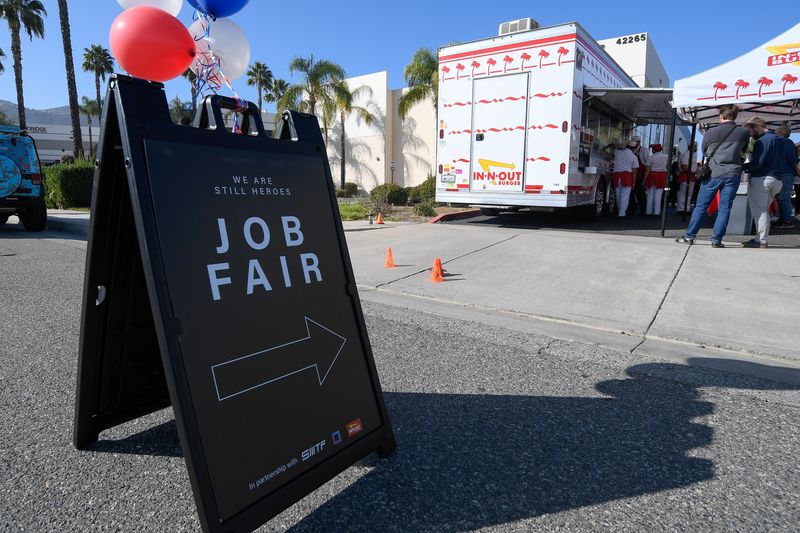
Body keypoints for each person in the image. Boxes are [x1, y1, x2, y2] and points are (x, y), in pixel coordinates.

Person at [676, 104, 750, 247]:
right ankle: (716, 240)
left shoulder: (711, 132)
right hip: (733, 173)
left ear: (721, 116)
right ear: (735, 116)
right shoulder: (744, 133)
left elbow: (704, 152)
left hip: (713, 173)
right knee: (725, 207)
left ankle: (689, 236)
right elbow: (743, 150)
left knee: (701, 206)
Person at [742, 116, 784, 248]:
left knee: (760, 211)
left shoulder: (762, 141)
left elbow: (758, 163)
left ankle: (761, 240)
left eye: (750, 130)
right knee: (764, 210)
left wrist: (743, 166)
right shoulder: (781, 140)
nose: (750, 134)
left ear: (757, 127)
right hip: (778, 180)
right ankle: (759, 238)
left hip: (762, 179)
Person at [772, 126, 800, 228]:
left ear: (780, 132)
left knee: (783, 196)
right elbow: (794, 159)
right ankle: (785, 219)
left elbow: (793, 160)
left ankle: (786, 220)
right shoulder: (788, 143)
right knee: (783, 196)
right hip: (786, 172)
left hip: (783, 173)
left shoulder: (781, 142)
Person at [612, 139, 639, 217]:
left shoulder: (616, 152)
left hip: (617, 176)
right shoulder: (634, 157)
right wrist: (633, 182)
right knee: (625, 195)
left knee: (618, 194)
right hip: (627, 176)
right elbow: (634, 171)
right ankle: (621, 213)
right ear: (634, 148)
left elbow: (614, 147)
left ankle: (619, 210)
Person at [644, 144, 668, 218]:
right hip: (661, 176)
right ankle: (657, 213)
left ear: (654, 150)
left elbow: (647, 170)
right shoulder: (666, 157)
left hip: (652, 175)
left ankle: (648, 212)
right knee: (658, 195)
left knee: (650, 195)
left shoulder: (651, 158)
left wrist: (644, 179)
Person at [628, 135, 648, 215]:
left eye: (635, 142)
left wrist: (645, 177)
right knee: (631, 193)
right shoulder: (630, 150)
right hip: (631, 173)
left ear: (639, 142)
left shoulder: (644, 150)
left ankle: (643, 210)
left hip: (640, 175)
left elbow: (647, 164)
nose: (634, 144)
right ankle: (632, 209)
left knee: (641, 193)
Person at [677, 142, 698, 213]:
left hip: (691, 176)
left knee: (689, 194)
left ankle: (686, 208)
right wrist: (693, 172)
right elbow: (684, 166)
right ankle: (681, 209)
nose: (696, 148)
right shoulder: (686, 154)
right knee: (683, 193)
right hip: (686, 175)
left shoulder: (692, 155)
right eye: (695, 146)